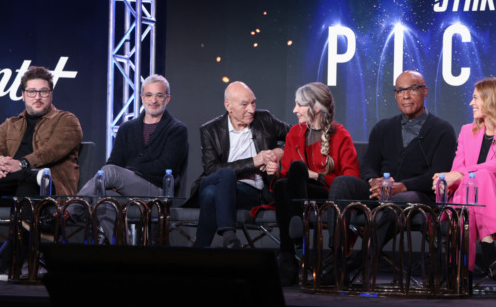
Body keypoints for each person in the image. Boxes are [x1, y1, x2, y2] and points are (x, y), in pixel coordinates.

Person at [329, 70, 457, 265]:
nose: (405, 96)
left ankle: (361, 260)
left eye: (412, 89)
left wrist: (403, 186)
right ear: (395, 95)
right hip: (381, 191)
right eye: (399, 90)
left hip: (417, 195)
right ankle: (336, 256)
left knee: (398, 200)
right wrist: (373, 181)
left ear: (425, 91)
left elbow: (438, 174)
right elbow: (369, 164)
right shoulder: (383, 128)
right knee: (342, 183)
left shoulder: (442, 130)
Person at [431, 77, 496, 276]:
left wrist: (458, 175)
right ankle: (488, 250)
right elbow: (457, 169)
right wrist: (447, 180)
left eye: (476, 98)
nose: (471, 103)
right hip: (467, 200)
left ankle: (458, 271)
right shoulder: (467, 132)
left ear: (492, 100)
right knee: (470, 189)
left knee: (481, 175)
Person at [75, 74, 188, 243]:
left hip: (158, 191)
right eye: (149, 95)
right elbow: (114, 161)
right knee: (103, 199)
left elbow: (166, 166)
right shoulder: (127, 128)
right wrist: (121, 180)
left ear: (167, 98)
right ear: (142, 97)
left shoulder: (177, 129)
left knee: (110, 173)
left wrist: (127, 173)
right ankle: (123, 249)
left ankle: (72, 209)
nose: (154, 100)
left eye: (159, 95)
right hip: (127, 189)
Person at [272, 82, 360, 285]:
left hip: (326, 196)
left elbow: (350, 178)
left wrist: (315, 176)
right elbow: (285, 174)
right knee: (286, 179)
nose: (294, 110)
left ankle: (290, 252)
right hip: (295, 192)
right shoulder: (294, 132)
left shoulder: (341, 135)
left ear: (316, 107)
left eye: (299, 105)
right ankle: (288, 254)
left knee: (298, 171)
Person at [0, 65, 83, 205]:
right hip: (12, 181)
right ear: (23, 95)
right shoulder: (10, 124)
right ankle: (27, 178)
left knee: (28, 185)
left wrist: (22, 164)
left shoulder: (66, 119)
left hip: (45, 187)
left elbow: (52, 150)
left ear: (51, 94)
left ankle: (29, 178)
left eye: (43, 92)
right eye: (31, 92)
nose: (38, 97)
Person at [193, 81, 291, 249]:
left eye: (253, 102)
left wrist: (277, 153)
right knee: (226, 175)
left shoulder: (264, 119)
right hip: (214, 180)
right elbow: (211, 170)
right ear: (228, 106)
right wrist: (255, 161)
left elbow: (295, 136)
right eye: (244, 104)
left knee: (211, 195)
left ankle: (210, 246)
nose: (251, 109)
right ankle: (230, 239)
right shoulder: (210, 130)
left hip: (248, 192)